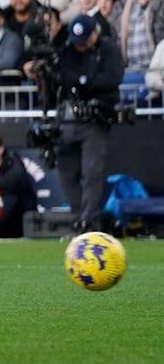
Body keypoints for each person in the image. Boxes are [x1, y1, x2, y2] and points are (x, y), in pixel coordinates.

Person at [54, 15, 124, 233]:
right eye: (78, 41)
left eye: (85, 40)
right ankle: (79, 217)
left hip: (96, 117)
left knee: (92, 172)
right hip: (69, 116)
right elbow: (64, 76)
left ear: (95, 33)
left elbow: (112, 78)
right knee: (66, 171)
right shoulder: (69, 50)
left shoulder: (109, 49)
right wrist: (84, 82)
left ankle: (90, 222)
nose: (81, 45)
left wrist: (83, 82)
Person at [0, 128, 41, 238]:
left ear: (1, 149)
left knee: (10, 196)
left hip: (19, 220)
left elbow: (16, 179)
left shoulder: (13, 161)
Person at [118, 0, 164, 73]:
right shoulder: (122, 4)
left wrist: (153, 0)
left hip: (158, 70)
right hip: (129, 70)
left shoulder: (161, 1)